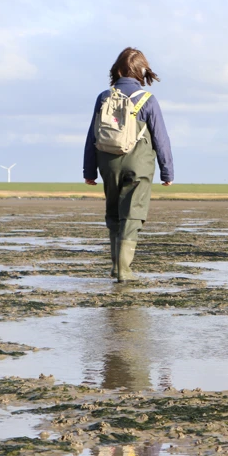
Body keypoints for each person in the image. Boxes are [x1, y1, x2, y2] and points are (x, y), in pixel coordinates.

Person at [83, 47, 174, 282]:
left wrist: (89, 170)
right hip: (138, 164)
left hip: (107, 162)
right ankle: (124, 270)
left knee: (113, 214)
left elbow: (92, 136)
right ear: (140, 71)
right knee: (132, 215)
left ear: (119, 69)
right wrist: (167, 171)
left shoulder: (104, 97)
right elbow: (160, 138)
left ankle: (115, 267)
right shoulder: (147, 99)